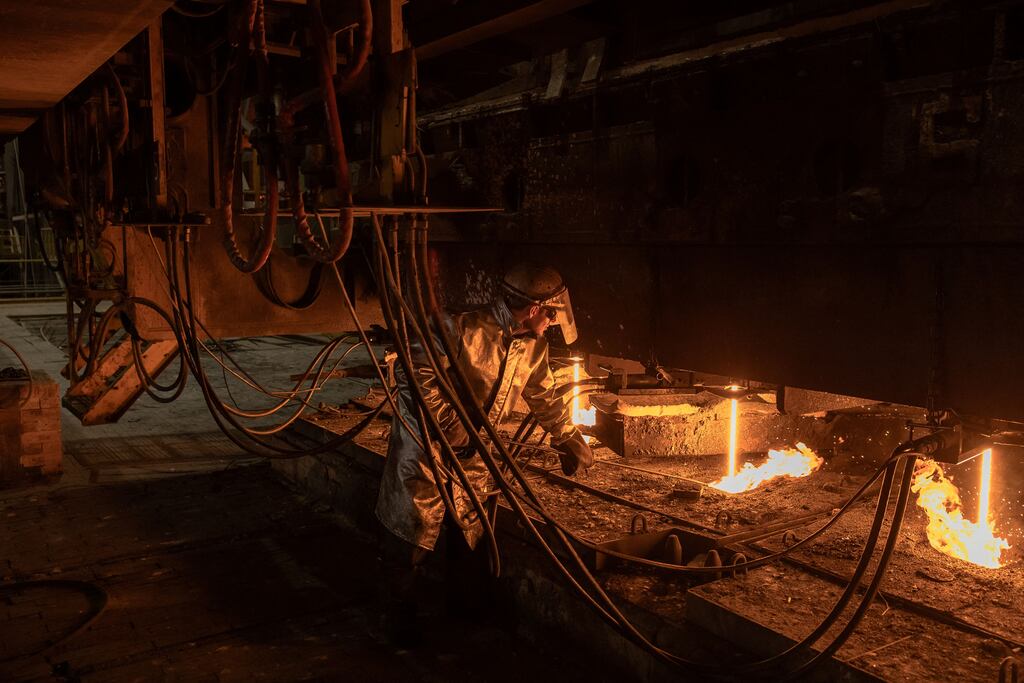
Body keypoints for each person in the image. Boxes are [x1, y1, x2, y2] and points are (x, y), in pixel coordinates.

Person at [375, 262, 594, 645]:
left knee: (470, 534)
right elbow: (415, 373)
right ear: (533, 309)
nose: (552, 323)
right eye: (551, 314)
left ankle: (464, 611)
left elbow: (542, 394)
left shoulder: (533, 348)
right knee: (410, 536)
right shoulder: (460, 327)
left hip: (474, 455)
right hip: (426, 449)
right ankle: (397, 618)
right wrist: (450, 424)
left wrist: (567, 436)